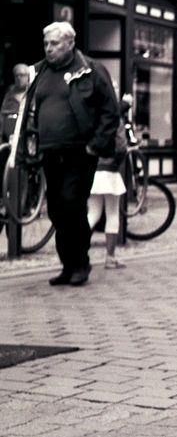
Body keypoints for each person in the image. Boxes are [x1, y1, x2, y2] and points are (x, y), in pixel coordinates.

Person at [19, 22, 120, 286]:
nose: (49, 49)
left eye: (54, 44)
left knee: (72, 203)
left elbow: (110, 111)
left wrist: (95, 146)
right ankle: (68, 265)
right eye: (46, 44)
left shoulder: (92, 70)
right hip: (49, 151)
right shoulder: (39, 72)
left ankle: (80, 263)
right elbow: (28, 109)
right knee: (56, 209)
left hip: (80, 151)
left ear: (70, 43)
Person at [87, 91, 130, 270]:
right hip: (110, 170)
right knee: (112, 213)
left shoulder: (91, 118)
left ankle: (78, 252)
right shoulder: (115, 120)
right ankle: (110, 257)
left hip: (93, 170)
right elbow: (121, 146)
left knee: (92, 214)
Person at [1, 63, 31, 142]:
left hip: (27, 139)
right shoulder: (9, 95)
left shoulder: (33, 93)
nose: (18, 78)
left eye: (21, 75)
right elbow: (2, 116)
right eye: (16, 75)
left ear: (28, 76)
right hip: (8, 140)